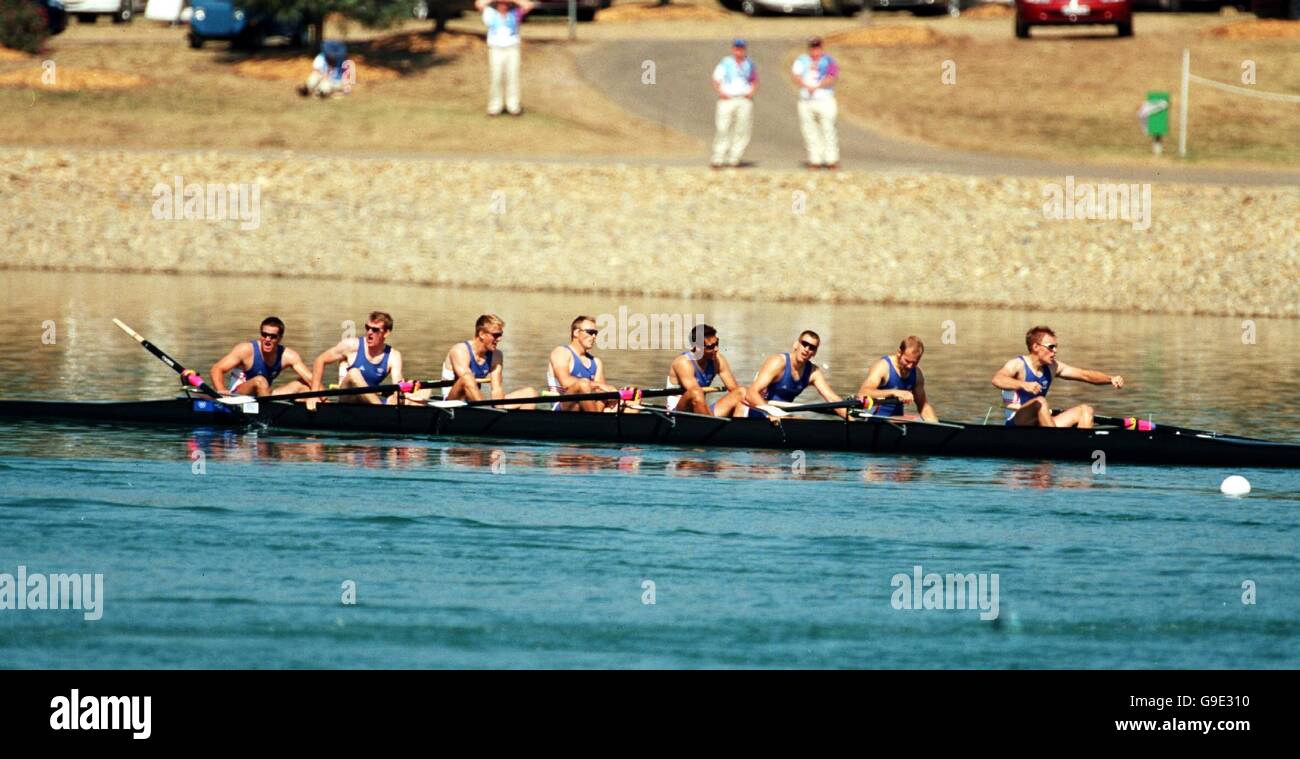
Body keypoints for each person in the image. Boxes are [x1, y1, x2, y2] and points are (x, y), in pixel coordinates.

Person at [991, 326, 1125, 429]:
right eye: (1051, 347)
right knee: (1040, 402)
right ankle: (1056, 443)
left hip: (1040, 421)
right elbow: (997, 379)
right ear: (1036, 347)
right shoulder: (1018, 364)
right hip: (1017, 421)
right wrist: (1024, 385)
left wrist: (1110, 378)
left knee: (1085, 410)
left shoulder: (1052, 367)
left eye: (1056, 347)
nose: (1055, 351)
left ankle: (1082, 450)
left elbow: (1084, 375)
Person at [434, 314, 538, 408]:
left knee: (530, 393)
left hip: (475, 401)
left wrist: (500, 411)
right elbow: (467, 381)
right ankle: (485, 414)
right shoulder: (460, 350)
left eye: (501, 335)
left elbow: (496, 389)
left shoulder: (496, 355)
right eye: (496, 335)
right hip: (453, 402)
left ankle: (519, 426)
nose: (500, 339)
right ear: (482, 334)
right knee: (467, 378)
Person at [744, 330, 850, 420]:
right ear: (796, 344)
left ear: (815, 353)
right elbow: (751, 393)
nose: (807, 349)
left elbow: (832, 399)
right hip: (759, 414)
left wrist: (852, 420)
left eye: (812, 347)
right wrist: (773, 413)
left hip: (783, 417)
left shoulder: (813, 372)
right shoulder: (778, 362)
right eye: (804, 344)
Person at [309, 311, 406, 405]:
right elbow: (320, 360)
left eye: (375, 330)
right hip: (348, 397)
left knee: (406, 397)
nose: (369, 333)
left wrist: (401, 393)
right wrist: (314, 395)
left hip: (369, 400)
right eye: (367, 328)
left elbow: (397, 381)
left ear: (386, 333)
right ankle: (381, 410)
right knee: (354, 372)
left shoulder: (394, 356)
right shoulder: (351, 345)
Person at [208, 316, 313, 397]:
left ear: (280, 338)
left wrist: (320, 398)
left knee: (302, 385)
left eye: (273, 337)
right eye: (264, 334)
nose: (267, 339)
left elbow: (311, 380)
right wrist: (221, 390)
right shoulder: (245, 350)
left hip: (263, 394)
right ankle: (268, 418)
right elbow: (217, 368)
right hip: (237, 395)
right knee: (260, 380)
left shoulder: (288, 355)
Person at [665, 324, 747, 416]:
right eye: (710, 347)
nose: (716, 349)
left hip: (702, 410)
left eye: (717, 343)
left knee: (741, 392)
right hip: (678, 412)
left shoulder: (718, 360)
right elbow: (695, 393)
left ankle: (738, 427)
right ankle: (712, 425)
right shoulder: (683, 362)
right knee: (696, 392)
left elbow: (734, 389)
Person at [856, 336, 939, 422]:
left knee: (928, 420)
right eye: (907, 361)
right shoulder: (883, 367)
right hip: (874, 419)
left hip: (896, 422)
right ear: (899, 352)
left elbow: (923, 406)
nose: (910, 366)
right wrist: (894, 392)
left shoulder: (917, 374)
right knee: (917, 421)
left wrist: (935, 424)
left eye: (915, 362)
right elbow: (862, 393)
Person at [476, 0, 535, 117]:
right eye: (501, 3)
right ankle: (494, 106)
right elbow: (479, 3)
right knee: (496, 78)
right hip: (496, 49)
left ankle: (513, 106)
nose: (503, 5)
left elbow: (529, 5)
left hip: (512, 49)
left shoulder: (515, 13)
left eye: (505, 4)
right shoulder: (490, 13)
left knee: (512, 77)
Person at [547, 315, 618, 412]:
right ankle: (598, 421)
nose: (594, 337)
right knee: (583, 384)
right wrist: (599, 386)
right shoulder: (561, 352)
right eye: (590, 332)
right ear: (576, 332)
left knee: (630, 396)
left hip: (587, 407)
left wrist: (613, 392)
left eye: (595, 333)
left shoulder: (596, 362)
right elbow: (565, 382)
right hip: (562, 407)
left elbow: (601, 391)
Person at [791, 37, 839, 170]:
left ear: (821, 48)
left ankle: (831, 159)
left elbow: (832, 76)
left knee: (828, 129)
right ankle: (815, 159)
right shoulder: (802, 60)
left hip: (824, 98)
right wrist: (805, 85)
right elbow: (796, 75)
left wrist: (818, 86)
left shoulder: (828, 60)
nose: (815, 50)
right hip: (807, 100)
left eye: (817, 47)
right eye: (813, 47)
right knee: (810, 131)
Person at [710, 39, 758, 169]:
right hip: (727, 99)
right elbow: (716, 79)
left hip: (743, 98)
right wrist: (721, 92)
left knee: (742, 129)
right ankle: (718, 157)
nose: (739, 51)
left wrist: (751, 92)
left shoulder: (749, 63)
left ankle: (735, 158)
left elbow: (754, 79)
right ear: (733, 49)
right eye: (737, 48)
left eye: (741, 49)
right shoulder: (725, 63)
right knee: (723, 128)